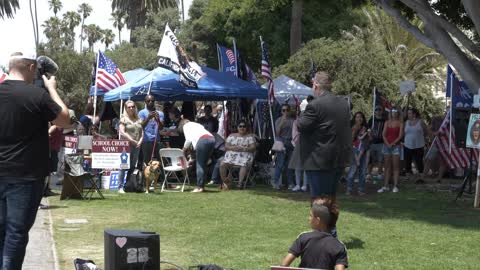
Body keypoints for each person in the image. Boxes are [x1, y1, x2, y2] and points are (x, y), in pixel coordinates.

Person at [0, 51, 70, 269]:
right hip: (26, 176)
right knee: (16, 234)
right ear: (31, 68)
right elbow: (65, 119)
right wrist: (52, 89)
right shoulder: (36, 95)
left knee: (3, 231)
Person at [297, 71, 351, 200]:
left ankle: (323, 221)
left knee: (319, 201)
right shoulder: (344, 104)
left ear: (315, 85)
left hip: (318, 160)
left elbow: (301, 126)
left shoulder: (314, 105)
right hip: (338, 158)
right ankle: (329, 221)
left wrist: (303, 111)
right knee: (330, 200)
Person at [281, 203, 348, 270]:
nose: (309, 218)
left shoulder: (304, 237)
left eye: (311, 216)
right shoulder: (339, 246)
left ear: (317, 220)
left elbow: (284, 265)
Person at [178, 119, 216, 192]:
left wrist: (183, 150)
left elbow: (188, 140)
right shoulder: (197, 124)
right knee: (204, 164)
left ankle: (199, 187)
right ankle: (202, 186)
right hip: (212, 138)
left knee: (200, 164)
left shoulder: (185, 126)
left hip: (203, 140)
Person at [219, 120, 257, 189]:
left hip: (245, 156)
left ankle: (240, 183)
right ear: (237, 127)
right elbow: (226, 146)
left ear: (246, 128)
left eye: (244, 126)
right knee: (222, 164)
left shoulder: (250, 137)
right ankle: (225, 181)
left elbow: (253, 148)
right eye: (240, 126)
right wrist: (233, 147)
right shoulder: (232, 135)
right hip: (231, 157)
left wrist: (244, 149)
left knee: (244, 164)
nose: (242, 128)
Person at [118, 101, 144, 194]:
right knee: (123, 166)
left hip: (137, 145)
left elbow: (142, 131)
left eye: (133, 106)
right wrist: (131, 140)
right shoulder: (123, 119)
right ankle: (120, 186)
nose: (131, 108)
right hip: (126, 145)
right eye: (129, 107)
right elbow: (122, 132)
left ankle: (128, 185)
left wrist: (140, 140)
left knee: (132, 166)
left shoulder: (138, 119)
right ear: (126, 108)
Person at [378, 107, 404, 193]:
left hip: (396, 146)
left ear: (398, 113)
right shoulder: (387, 122)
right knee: (387, 167)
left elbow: (400, 136)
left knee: (396, 167)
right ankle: (385, 186)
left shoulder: (400, 123)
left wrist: (392, 143)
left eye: (395, 111)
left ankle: (395, 186)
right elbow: (383, 134)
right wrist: (387, 144)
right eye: (392, 111)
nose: (394, 113)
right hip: (386, 146)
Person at [288, 99, 310, 192]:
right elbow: (294, 134)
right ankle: (297, 184)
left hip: (307, 145)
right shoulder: (296, 122)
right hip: (298, 144)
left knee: (305, 167)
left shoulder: (310, 123)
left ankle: (304, 185)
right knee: (297, 166)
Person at [346, 112, 370, 195]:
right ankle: (349, 189)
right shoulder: (352, 128)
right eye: (357, 117)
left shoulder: (366, 129)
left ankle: (361, 189)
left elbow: (366, 144)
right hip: (354, 151)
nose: (359, 118)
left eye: (360, 117)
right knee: (352, 171)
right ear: (354, 119)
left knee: (362, 172)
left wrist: (359, 158)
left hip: (362, 152)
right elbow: (350, 141)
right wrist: (355, 130)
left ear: (363, 119)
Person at [272, 104, 295, 190]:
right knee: (280, 164)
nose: (285, 112)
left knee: (289, 165)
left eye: (286, 110)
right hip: (281, 143)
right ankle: (275, 182)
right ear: (281, 111)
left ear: (289, 111)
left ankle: (290, 183)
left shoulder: (293, 121)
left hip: (291, 143)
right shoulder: (278, 120)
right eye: (283, 110)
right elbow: (277, 133)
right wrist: (282, 122)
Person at [403, 108, 429, 182]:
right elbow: (403, 133)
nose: (408, 115)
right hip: (407, 145)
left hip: (418, 145)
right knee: (407, 161)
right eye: (408, 113)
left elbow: (427, 131)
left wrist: (426, 139)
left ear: (414, 114)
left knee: (419, 161)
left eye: (410, 113)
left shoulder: (420, 122)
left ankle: (421, 176)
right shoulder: (406, 122)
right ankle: (408, 176)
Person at [139, 95, 164, 164]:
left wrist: (158, 120)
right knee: (147, 161)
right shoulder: (141, 113)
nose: (150, 102)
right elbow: (141, 127)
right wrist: (148, 118)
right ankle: (145, 175)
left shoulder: (160, 113)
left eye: (152, 101)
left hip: (157, 140)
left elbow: (161, 128)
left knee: (160, 161)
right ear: (145, 102)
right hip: (146, 141)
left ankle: (160, 175)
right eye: (148, 101)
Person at [367, 105, 386, 181]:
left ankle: (379, 174)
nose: (378, 111)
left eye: (380, 110)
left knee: (380, 159)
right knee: (371, 160)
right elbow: (367, 129)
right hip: (372, 143)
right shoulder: (372, 119)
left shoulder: (384, 120)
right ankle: (369, 174)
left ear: (382, 111)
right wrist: (369, 134)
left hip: (381, 143)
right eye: (377, 110)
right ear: (374, 111)